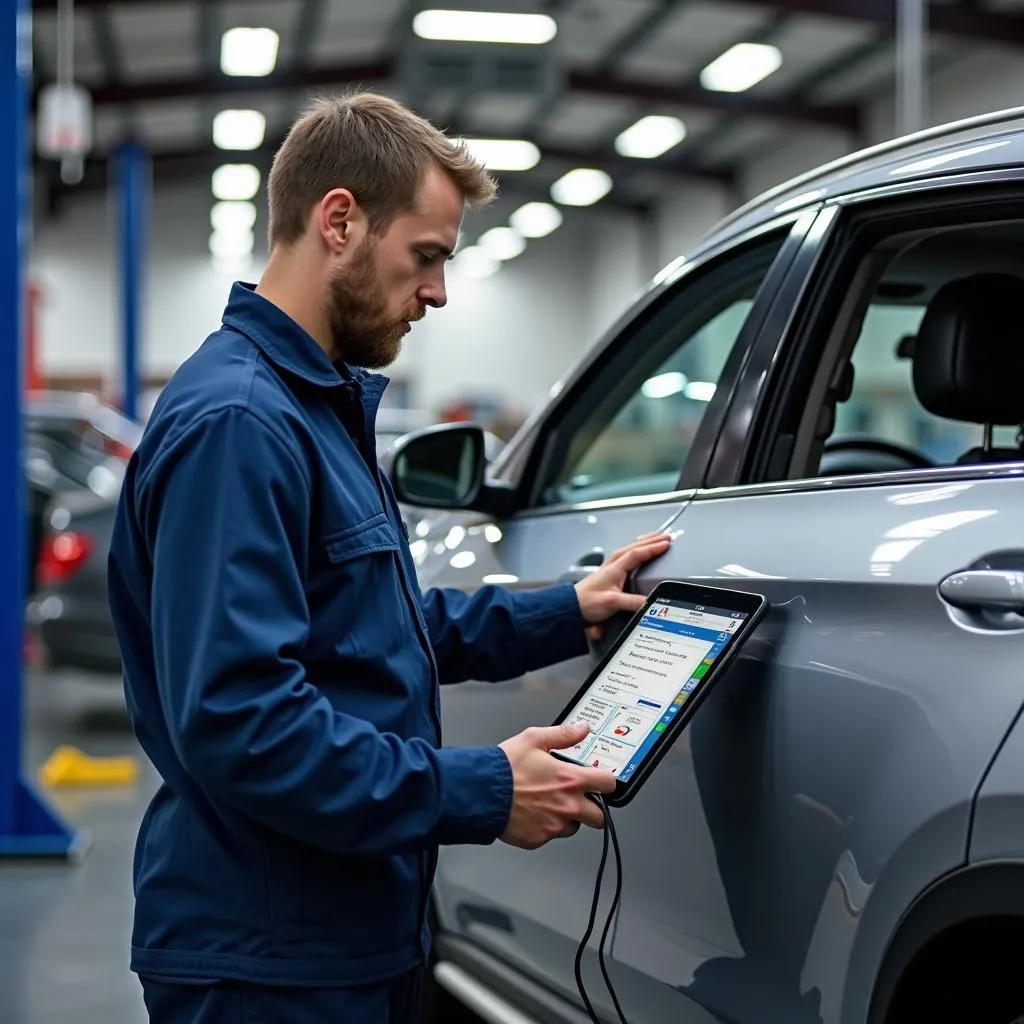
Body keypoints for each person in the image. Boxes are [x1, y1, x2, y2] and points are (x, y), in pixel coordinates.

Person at [106, 91, 672, 1024]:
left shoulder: (310, 407)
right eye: (428, 256)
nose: (440, 292)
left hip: (337, 932)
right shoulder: (243, 424)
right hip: (271, 958)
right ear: (340, 221)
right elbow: (243, 722)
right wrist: (483, 789)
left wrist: (564, 612)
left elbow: (365, 629)